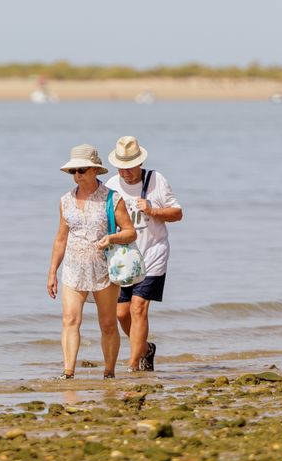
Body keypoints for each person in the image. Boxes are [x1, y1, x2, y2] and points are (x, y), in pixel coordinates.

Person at [47, 144, 136, 379]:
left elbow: (130, 232)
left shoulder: (112, 198)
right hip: (73, 269)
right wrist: (52, 272)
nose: (77, 175)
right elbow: (60, 239)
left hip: (103, 270)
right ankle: (68, 373)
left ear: (95, 170)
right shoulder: (65, 201)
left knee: (107, 324)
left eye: (82, 170)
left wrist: (112, 238)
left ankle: (109, 372)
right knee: (70, 320)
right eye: (73, 171)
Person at [105, 136, 183, 372]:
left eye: (130, 167)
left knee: (138, 307)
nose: (126, 172)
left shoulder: (156, 180)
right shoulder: (111, 185)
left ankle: (133, 366)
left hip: (153, 252)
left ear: (140, 163)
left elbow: (177, 213)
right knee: (121, 314)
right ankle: (145, 349)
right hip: (124, 259)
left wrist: (153, 210)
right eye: (121, 167)